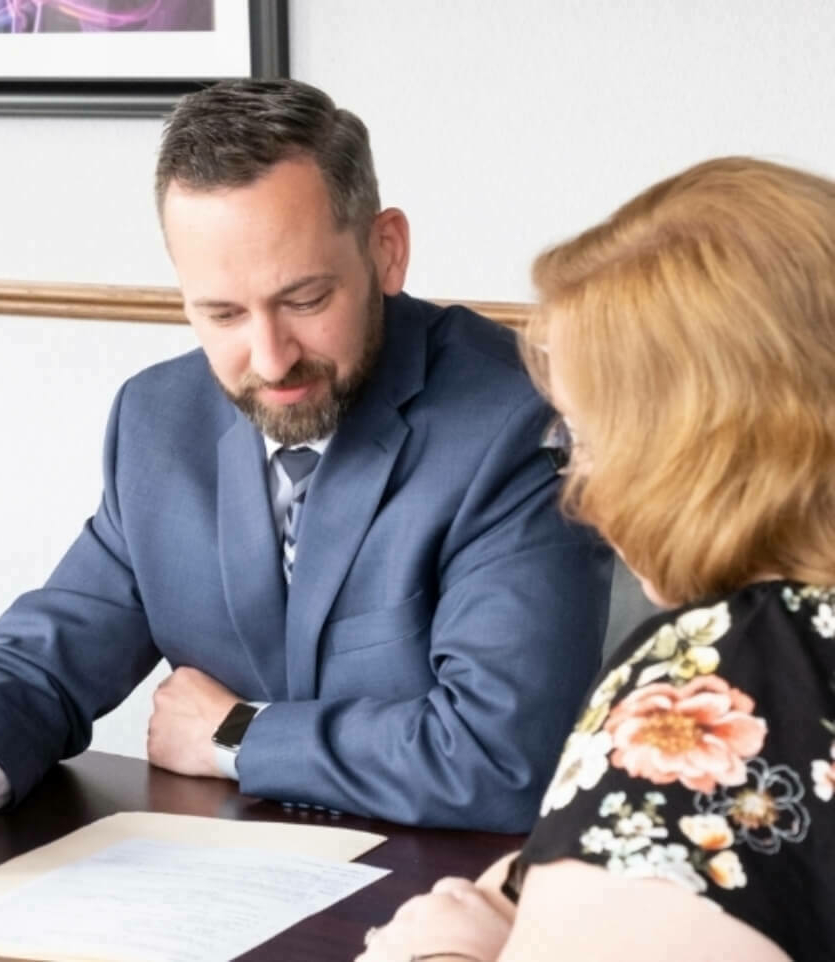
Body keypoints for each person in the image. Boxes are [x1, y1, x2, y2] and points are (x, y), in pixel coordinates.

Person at [0, 79, 612, 875]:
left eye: (304, 299)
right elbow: (46, 658)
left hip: (455, 903)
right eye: (222, 314)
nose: (269, 358)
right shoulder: (159, 419)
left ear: (386, 250)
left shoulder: (515, 423)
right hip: (216, 889)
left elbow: (500, 756)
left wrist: (238, 735)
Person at [355, 156, 835, 962]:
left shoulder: (726, 673)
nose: (579, 492)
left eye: (587, 436)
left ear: (694, 446)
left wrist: (440, 954)